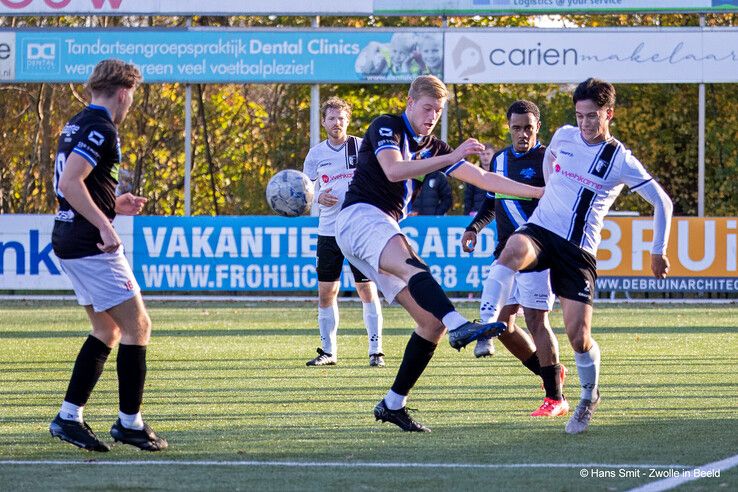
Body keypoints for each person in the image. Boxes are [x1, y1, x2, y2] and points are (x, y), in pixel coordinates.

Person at [335, 75, 544, 432]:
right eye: (427, 107)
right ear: (409, 103)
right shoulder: (387, 126)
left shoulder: (434, 146)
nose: (432, 115)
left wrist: (538, 193)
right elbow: (393, 168)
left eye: (438, 109)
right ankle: (460, 324)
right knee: (416, 268)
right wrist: (452, 155)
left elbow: (485, 180)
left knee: (430, 323)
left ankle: (393, 403)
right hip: (360, 217)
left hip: (380, 225)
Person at [479, 78, 673, 434]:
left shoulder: (620, 159)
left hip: (578, 249)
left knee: (578, 336)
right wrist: (551, 186)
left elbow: (662, 201)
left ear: (609, 114)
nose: (585, 124)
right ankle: (485, 327)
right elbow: (552, 157)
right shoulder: (564, 136)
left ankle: (588, 396)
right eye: (580, 115)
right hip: (542, 230)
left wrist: (658, 250)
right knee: (511, 250)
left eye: (592, 117)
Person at [49, 59, 167, 452]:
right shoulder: (102, 127)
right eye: (132, 94)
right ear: (123, 92)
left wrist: (114, 203)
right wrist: (105, 224)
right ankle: (129, 423)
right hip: (90, 244)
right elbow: (70, 181)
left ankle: (69, 417)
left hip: (68, 238)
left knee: (107, 330)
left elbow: (77, 182)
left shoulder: (76, 121)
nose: (131, 101)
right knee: (139, 326)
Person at [462, 100, 567, 417]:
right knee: (502, 325)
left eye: (528, 128)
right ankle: (550, 375)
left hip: (537, 252)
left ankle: (555, 399)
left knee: (536, 321)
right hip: (505, 254)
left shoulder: (548, 159)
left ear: (538, 128)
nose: (522, 134)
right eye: (517, 128)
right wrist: (474, 228)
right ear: (509, 127)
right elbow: (491, 201)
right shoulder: (500, 160)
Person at [302, 97, 385, 367]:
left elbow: (380, 180)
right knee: (327, 291)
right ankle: (328, 352)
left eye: (341, 118)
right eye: (331, 118)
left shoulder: (361, 147)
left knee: (366, 289)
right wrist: (317, 198)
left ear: (347, 120)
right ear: (323, 122)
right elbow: (306, 191)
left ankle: (376, 351)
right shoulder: (315, 154)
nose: (336, 123)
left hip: (358, 230)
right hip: (328, 231)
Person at [463, 143, 495, 215]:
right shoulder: (473, 174)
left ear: (493, 155)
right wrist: (466, 214)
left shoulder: (500, 173)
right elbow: (468, 198)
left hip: (496, 215)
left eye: (488, 154)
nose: (485, 157)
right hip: (477, 214)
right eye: (483, 154)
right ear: (479, 156)